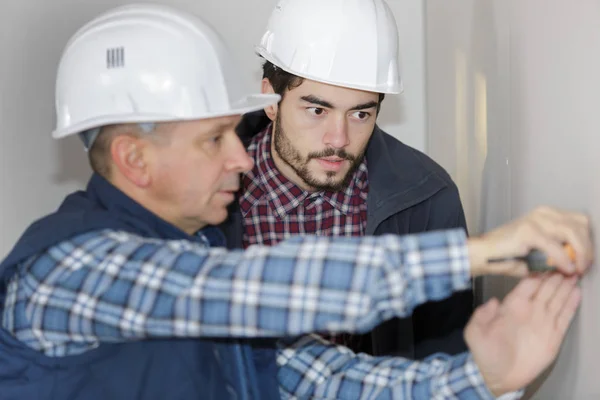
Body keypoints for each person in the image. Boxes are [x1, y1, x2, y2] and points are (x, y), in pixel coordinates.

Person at [0, 4, 592, 400]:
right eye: (214, 139)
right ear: (134, 158)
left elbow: (326, 379)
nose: (240, 158)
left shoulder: (198, 251)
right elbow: (247, 288)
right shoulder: (68, 272)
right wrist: (478, 255)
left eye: (361, 112)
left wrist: (482, 375)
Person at [221, 0, 472, 359]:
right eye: (317, 110)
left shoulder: (427, 198)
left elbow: (444, 361)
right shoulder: (206, 188)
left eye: (360, 113)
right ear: (270, 99)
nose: (338, 140)